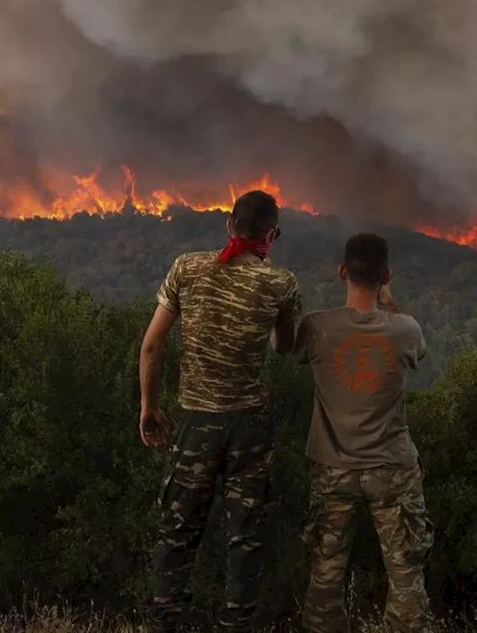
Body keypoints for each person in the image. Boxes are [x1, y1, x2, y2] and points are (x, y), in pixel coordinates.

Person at [137, 190, 302, 633]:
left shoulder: (186, 267)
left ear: (229, 226)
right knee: (244, 538)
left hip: (195, 423)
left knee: (177, 533)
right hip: (249, 426)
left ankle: (163, 622)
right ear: (270, 235)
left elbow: (152, 345)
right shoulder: (281, 283)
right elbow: (283, 348)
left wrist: (149, 407)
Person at [292, 232, 435, 633]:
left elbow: (282, 346)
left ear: (341, 272)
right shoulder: (405, 330)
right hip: (392, 469)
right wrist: (388, 302)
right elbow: (419, 351)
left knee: (325, 576)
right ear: (386, 275)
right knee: (406, 576)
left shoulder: (316, 328)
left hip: (333, 469)